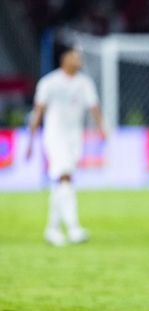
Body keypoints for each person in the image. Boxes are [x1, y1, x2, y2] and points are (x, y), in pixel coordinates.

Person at [26, 45, 106, 246]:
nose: (78, 60)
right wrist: (30, 140)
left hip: (74, 137)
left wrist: (102, 128)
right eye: (74, 56)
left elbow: (93, 107)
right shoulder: (49, 83)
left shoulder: (84, 83)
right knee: (64, 176)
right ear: (64, 59)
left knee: (64, 181)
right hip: (54, 135)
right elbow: (38, 112)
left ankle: (52, 229)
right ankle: (73, 227)